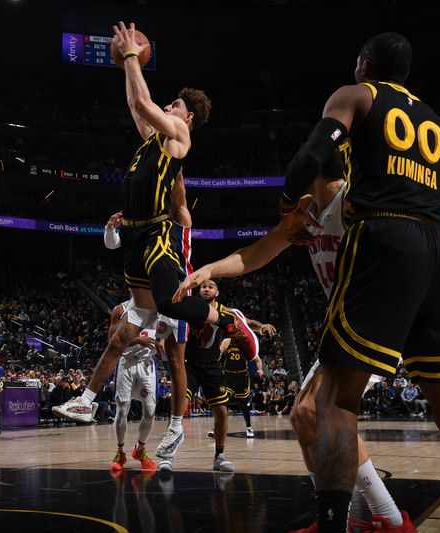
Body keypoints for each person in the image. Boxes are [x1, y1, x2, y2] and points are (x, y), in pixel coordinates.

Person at [278, 32, 440, 532]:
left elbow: (311, 157)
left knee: (336, 400)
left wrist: (288, 201)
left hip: (385, 233)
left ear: (364, 64)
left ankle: (338, 524)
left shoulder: (356, 95)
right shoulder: (436, 121)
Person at [174, 153, 412, 531]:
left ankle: (384, 519)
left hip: (375, 322)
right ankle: (355, 517)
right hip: (343, 326)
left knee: (319, 412)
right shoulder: (305, 210)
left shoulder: (357, 203)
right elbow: (254, 255)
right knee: (302, 417)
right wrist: (209, 269)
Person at [52, 21, 250, 467]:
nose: (167, 105)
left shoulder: (180, 137)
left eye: (175, 103)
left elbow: (143, 100)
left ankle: (224, 318)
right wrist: (130, 68)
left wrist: (128, 56)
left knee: (170, 301)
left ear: (188, 117)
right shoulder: (152, 141)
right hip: (134, 237)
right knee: (124, 331)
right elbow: (135, 103)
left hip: (158, 237)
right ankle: (86, 398)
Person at [184, 280, 258, 473]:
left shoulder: (226, 312)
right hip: (190, 363)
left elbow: (245, 326)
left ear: (217, 291)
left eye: (210, 286)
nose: (206, 289)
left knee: (222, 411)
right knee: (180, 405)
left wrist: (257, 330)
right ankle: (168, 453)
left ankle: (219, 456)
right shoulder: (190, 306)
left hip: (212, 366)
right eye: (203, 286)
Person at [106, 300, 167, 472]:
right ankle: (120, 452)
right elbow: (112, 341)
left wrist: (163, 345)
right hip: (126, 363)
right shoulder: (121, 309)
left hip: (147, 364)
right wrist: (137, 340)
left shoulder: (160, 311)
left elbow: (165, 336)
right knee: (122, 410)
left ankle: (140, 450)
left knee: (150, 411)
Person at [209, 316, 270, 439]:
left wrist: (260, 369)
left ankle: (249, 428)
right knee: (222, 402)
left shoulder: (246, 343)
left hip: (242, 377)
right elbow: (219, 353)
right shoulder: (227, 341)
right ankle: (216, 428)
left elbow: (257, 359)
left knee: (243, 404)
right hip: (228, 376)